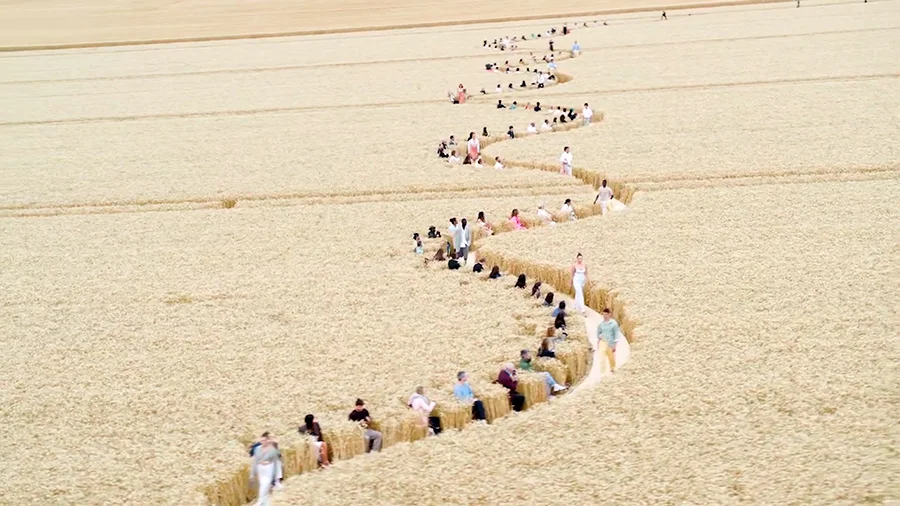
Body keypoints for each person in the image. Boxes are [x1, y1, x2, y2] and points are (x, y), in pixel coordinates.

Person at [249, 435, 281, 505]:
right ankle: (264, 502)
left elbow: (277, 457)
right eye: (261, 441)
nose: (263, 442)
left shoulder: (272, 448)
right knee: (263, 485)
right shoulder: (257, 448)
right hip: (260, 469)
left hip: (268, 468)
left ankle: (260, 502)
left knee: (265, 484)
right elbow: (254, 459)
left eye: (264, 440)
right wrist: (252, 474)